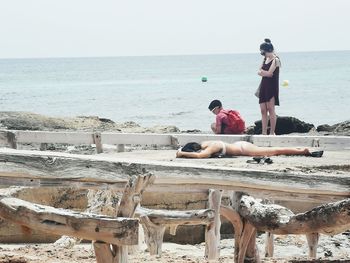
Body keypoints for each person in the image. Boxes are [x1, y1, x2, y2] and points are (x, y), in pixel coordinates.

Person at [176, 141, 323, 159]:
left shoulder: (211, 147)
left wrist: (181, 153)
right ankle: (301, 149)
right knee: (272, 150)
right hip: (240, 146)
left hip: (242, 148)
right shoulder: (205, 143)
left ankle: (303, 151)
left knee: (275, 151)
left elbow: (201, 157)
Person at [258, 38, 281, 135]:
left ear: (267, 50)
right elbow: (259, 71)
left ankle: (272, 132)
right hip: (263, 86)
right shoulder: (265, 59)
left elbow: (270, 73)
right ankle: (264, 132)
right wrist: (264, 73)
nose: (262, 54)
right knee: (263, 110)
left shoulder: (276, 60)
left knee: (271, 109)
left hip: (271, 87)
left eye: (263, 52)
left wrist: (263, 73)